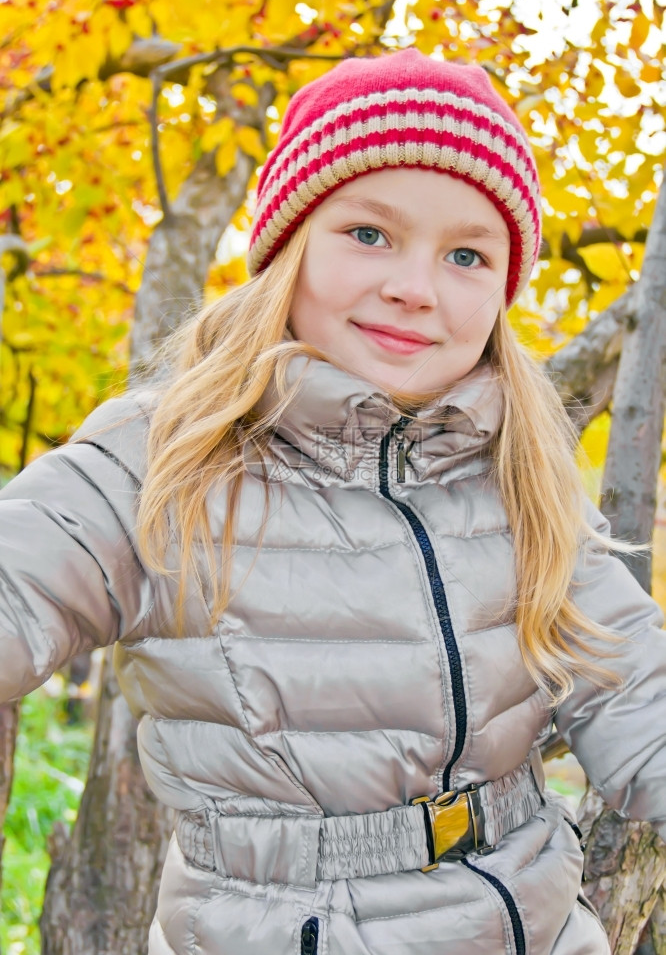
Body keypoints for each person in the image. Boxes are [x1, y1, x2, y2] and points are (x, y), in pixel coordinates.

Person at [0, 48, 664, 955]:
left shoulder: (520, 475)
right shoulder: (159, 460)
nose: (415, 287)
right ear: (287, 246)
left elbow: (635, 697)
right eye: (368, 234)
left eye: (468, 254)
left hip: (539, 928)